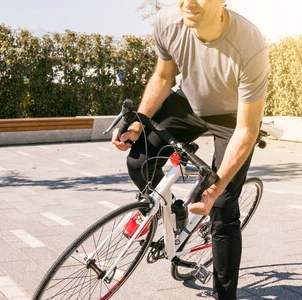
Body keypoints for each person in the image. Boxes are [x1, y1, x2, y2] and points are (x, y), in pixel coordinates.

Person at [111, 0, 268, 298]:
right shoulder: (168, 22)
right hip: (189, 103)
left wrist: (215, 189)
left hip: (231, 117)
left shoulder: (250, 44)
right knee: (138, 162)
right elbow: (163, 77)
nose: (188, 2)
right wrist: (138, 123)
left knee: (222, 206)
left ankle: (224, 294)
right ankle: (173, 216)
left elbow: (247, 129)